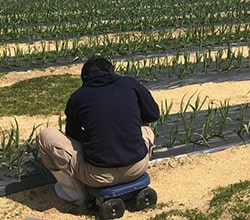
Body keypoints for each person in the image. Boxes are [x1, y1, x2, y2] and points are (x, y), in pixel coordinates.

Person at [36, 57, 160, 205]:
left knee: (45, 135)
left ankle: (74, 193)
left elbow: (72, 136)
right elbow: (153, 115)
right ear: (112, 71)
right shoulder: (129, 84)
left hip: (97, 176)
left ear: (84, 78)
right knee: (145, 126)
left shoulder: (78, 97)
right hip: (137, 167)